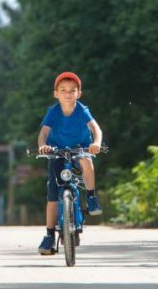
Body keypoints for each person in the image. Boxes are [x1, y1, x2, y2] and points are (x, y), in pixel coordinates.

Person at [36, 71, 103, 255]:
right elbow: (43, 133)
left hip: (80, 148)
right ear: (56, 93)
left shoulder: (82, 110)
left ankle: (91, 197)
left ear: (78, 93)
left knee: (86, 162)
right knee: (52, 196)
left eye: (72, 90)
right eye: (63, 90)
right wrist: (43, 146)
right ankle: (49, 235)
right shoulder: (53, 112)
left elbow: (95, 128)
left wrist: (96, 143)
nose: (68, 94)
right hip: (57, 151)